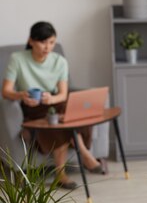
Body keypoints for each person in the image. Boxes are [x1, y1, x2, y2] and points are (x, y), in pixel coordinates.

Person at [2, 21, 105, 190]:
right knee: (60, 118)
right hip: (32, 107)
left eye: (51, 42)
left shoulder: (60, 61)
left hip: (54, 103)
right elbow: (6, 91)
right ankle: (84, 155)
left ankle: (61, 174)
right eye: (43, 42)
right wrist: (21, 95)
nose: (47, 47)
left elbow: (63, 94)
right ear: (31, 41)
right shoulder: (17, 59)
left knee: (64, 111)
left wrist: (52, 99)